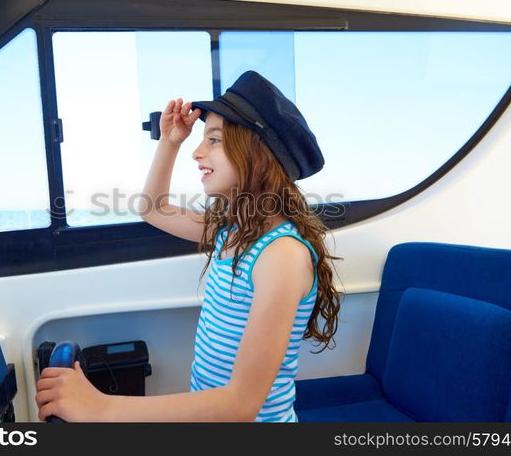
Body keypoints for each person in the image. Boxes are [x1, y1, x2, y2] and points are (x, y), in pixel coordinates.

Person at [35, 70, 342, 422]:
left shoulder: (281, 255)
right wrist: (170, 142)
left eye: (213, 139)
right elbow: (152, 208)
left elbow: (241, 405)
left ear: (258, 155)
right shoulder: (232, 230)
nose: (196, 152)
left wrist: (101, 406)